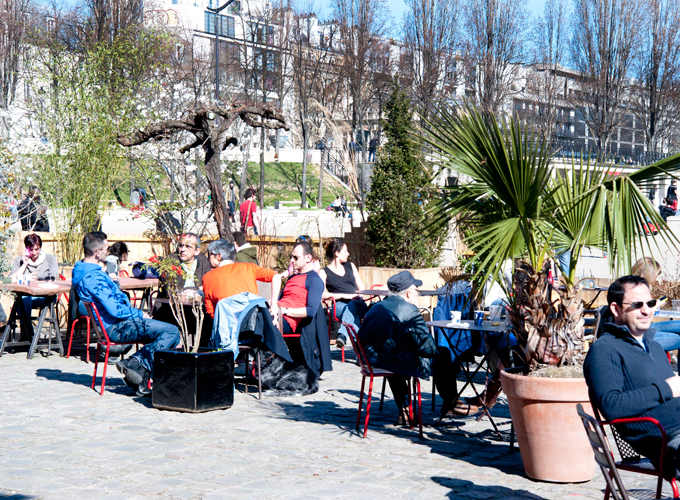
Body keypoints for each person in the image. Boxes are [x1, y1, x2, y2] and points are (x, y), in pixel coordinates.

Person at [584, 275, 680, 478]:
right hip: (667, 443)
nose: (647, 310)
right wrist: (666, 389)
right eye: (637, 305)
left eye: (650, 303)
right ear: (616, 309)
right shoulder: (604, 349)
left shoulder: (654, 346)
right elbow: (611, 405)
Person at [73, 231, 180, 396]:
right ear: (97, 252)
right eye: (106, 249)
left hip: (112, 324)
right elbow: (115, 310)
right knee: (171, 331)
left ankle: (139, 371)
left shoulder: (82, 270)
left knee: (165, 330)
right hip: (115, 327)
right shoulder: (93, 278)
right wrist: (138, 314)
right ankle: (136, 363)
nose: (108, 252)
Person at [358, 271, 460, 420]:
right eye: (417, 290)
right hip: (391, 362)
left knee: (396, 356)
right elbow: (428, 348)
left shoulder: (376, 307)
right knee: (442, 353)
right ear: (408, 293)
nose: (418, 294)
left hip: (370, 361)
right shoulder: (409, 310)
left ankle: (405, 409)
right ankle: (451, 403)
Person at [203, 239, 281, 319]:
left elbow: (210, 310)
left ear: (219, 256)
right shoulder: (249, 267)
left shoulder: (207, 278)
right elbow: (276, 277)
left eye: (210, 255)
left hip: (227, 325)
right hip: (253, 324)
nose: (208, 259)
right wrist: (273, 306)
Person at [318, 238, 367, 348]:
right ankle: (361, 356)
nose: (348, 254)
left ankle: (342, 334)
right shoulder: (324, 272)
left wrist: (359, 296)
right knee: (354, 320)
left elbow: (361, 287)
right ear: (337, 253)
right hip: (339, 306)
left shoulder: (351, 266)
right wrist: (344, 295)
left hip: (358, 304)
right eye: (345, 251)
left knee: (353, 305)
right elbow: (321, 295)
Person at [10, 233, 59, 339]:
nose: (34, 253)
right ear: (26, 248)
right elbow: (11, 279)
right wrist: (24, 265)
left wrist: (39, 282)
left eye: (37, 249)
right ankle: (30, 336)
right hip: (26, 296)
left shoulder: (49, 259)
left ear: (40, 248)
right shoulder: (20, 260)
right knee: (23, 299)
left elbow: (55, 278)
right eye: (30, 249)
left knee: (22, 301)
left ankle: (28, 336)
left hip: (45, 295)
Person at [630, 257, 680, 353]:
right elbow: (638, 311)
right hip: (638, 332)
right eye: (656, 275)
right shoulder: (638, 288)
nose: (657, 278)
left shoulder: (631, 285)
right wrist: (654, 306)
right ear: (650, 274)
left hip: (644, 328)